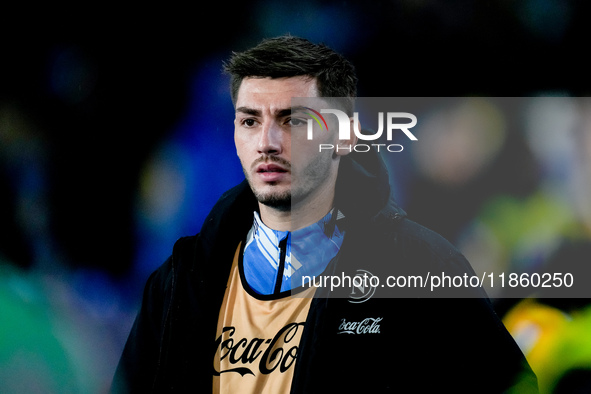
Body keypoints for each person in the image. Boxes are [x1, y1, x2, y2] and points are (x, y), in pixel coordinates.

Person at [112, 35, 538, 393]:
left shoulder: (423, 266)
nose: (268, 142)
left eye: (294, 121)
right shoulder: (175, 283)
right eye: (249, 122)